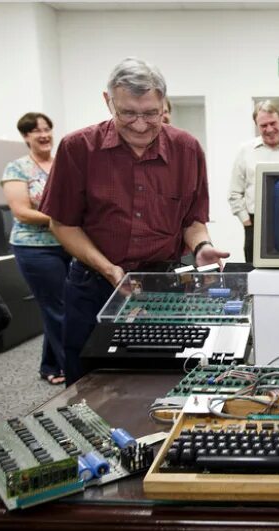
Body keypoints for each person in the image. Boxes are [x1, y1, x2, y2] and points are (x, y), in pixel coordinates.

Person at [40, 57, 228, 386]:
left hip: (162, 287)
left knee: (161, 380)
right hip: (94, 284)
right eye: (128, 113)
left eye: (151, 113)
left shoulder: (187, 149)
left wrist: (202, 246)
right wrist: (109, 269)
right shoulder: (77, 148)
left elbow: (193, 220)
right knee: (87, 383)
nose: (140, 125)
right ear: (107, 101)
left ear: (164, 105)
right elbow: (63, 224)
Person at [0, 112, 71, 385]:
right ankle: (72, 370)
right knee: (57, 308)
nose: (43, 135)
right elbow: (21, 212)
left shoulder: (61, 164)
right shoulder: (17, 168)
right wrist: (63, 220)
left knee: (64, 306)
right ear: (25, 136)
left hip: (67, 244)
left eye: (47, 129)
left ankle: (50, 365)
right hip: (35, 248)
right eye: (36, 130)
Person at [228, 100, 279, 263]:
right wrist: (247, 223)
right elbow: (234, 192)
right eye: (263, 125)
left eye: (273, 123)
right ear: (257, 126)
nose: (270, 129)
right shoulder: (245, 151)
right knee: (255, 273)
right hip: (255, 224)